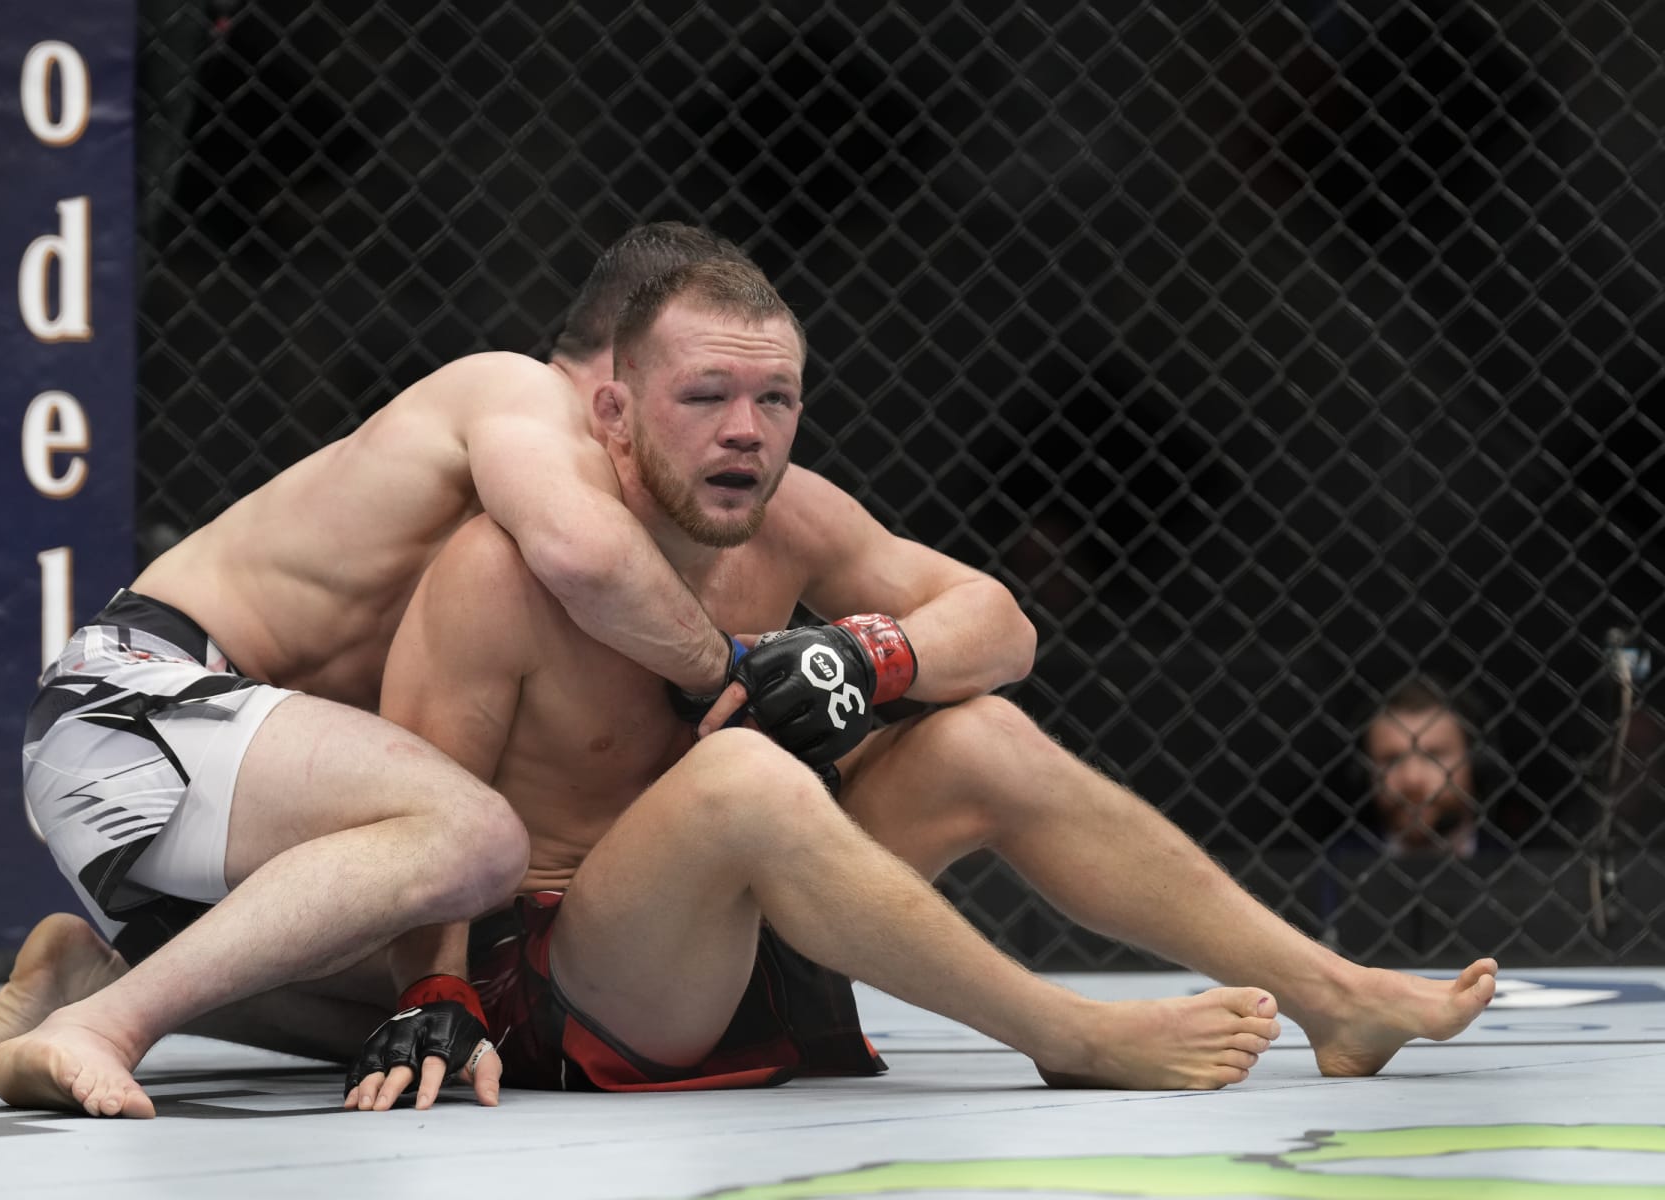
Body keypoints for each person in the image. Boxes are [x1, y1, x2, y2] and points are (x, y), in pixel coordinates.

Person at [345, 258, 1497, 1105]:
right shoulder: (498, 572)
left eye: (776, 401)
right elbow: (421, 821)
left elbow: (1001, 622)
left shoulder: (789, 520)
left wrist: (870, 655)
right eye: (704, 399)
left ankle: (1330, 995)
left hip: (752, 943)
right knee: (744, 773)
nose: (746, 433)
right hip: (574, 983)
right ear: (614, 411)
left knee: (976, 732)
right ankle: (1070, 1034)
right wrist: (431, 999)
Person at [0, 223, 756, 1118]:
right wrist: (731, 670)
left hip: (214, 799)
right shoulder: (517, 391)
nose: (732, 424)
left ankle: (92, 971)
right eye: (702, 388)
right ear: (626, 372)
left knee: (475, 998)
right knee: (480, 839)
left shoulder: (610, 494)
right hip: (131, 707)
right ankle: (102, 1027)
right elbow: (584, 559)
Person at [1362, 678, 1484, 858]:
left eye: (1433, 756)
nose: (1412, 779)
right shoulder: (1330, 873)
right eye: (1391, 760)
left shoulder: (1520, 861)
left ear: (1475, 762)